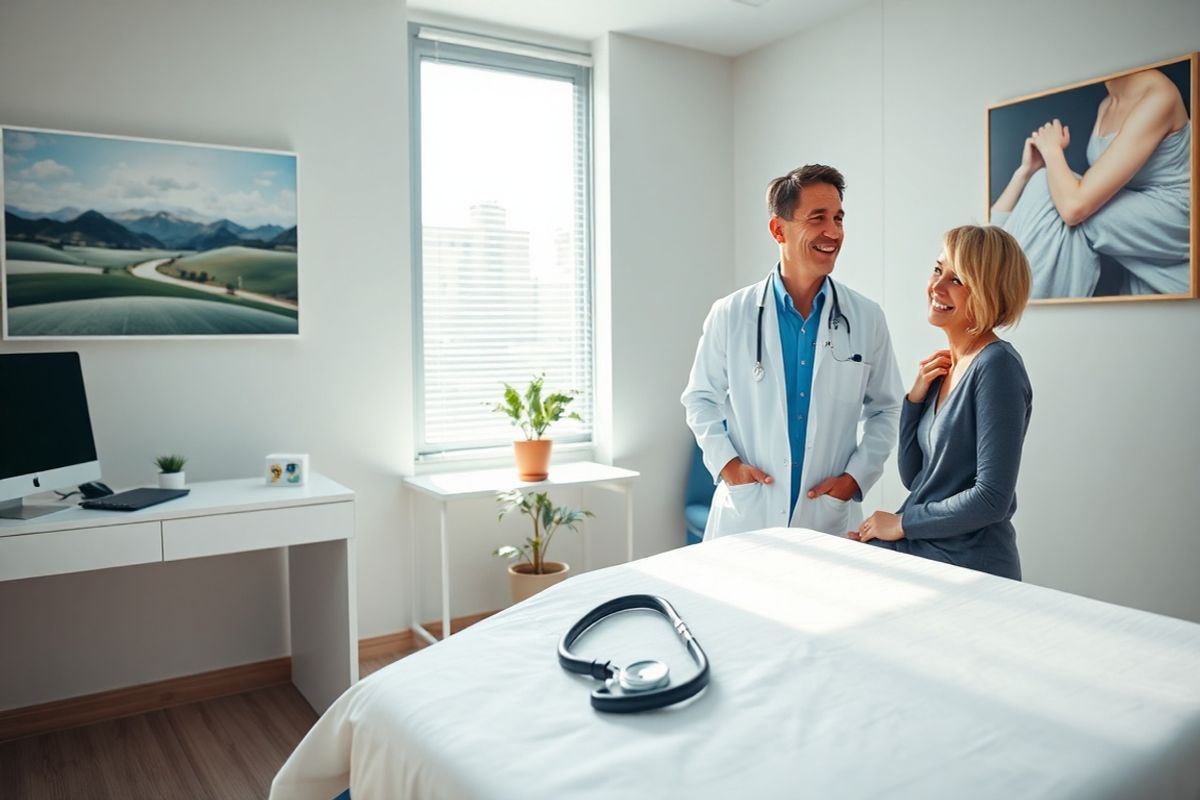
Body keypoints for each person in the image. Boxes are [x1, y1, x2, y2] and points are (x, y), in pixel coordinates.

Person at [681, 164, 903, 540]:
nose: (833, 232)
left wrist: (855, 478)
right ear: (778, 229)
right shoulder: (731, 313)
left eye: (838, 218)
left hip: (828, 517)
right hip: (749, 514)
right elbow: (700, 400)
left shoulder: (866, 317)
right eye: (818, 219)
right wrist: (729, 467)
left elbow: (887, 408)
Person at [852, 225, 1032, 580]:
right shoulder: (946, 369)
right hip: (931, 551)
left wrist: (903, 523)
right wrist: (915, 400)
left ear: (988, 293)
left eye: (957, 280)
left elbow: (991, 499)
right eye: (938, 270)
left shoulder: (997, 367)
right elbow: (916, 478)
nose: (936, 287)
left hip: (971, 564)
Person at [992, 67, 1190, 298]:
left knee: (1051, 191)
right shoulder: (1107, 104)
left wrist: (1052, 151)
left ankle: (1007, 294)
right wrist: (1024, 171)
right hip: (1128, 217)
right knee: (1045, 185)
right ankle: (997, 267)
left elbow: (1075, 206)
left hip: (1172, 217)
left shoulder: (1158, 95)